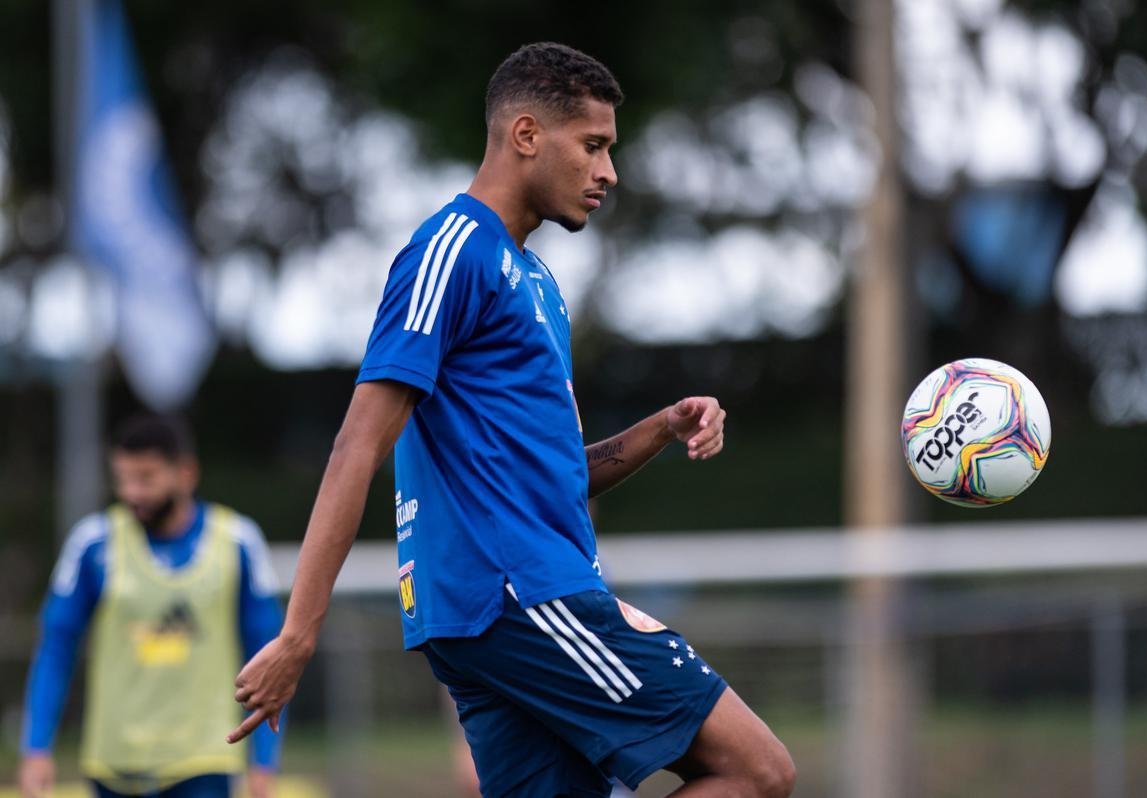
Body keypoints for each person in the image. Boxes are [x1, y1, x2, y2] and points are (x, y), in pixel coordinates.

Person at [227, 42, 796, 797]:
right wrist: (299, 634)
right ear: (527, 135)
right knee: (757, 772)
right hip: (519, 594)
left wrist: (660, 427)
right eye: (593, 146)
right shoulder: (452, 250)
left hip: (488, 611)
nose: (608, 172)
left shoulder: (535, 280)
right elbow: (355, 448)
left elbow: (554, 477)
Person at [19, 415, 284, 798]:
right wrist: (36, 747)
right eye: (122, 478)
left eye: (145, 478)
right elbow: (56, 648)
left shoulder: (238, 542)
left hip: (204, 764)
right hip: (114, 767)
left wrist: (264, 762)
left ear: (186, 473)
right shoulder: (93, 544)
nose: (131, 492)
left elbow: (269, 658)